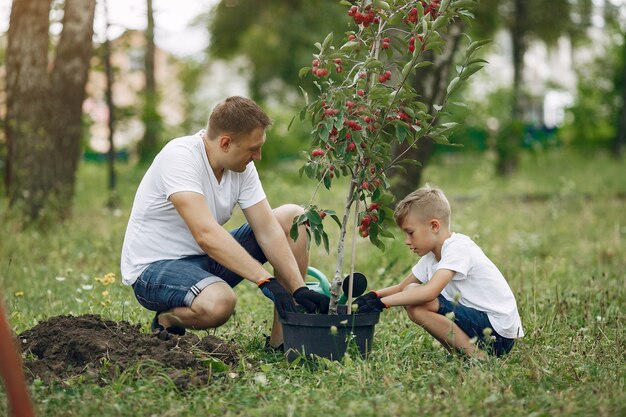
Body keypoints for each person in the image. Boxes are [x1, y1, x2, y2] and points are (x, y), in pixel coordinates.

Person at [120, 96, 329, 348]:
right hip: (155, 270)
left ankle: (282, 342)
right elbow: (206, 234)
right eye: (253, 149)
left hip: (205, 262)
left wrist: (298, 288)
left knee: (292, 217)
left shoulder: (241, 167)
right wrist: (265, 279)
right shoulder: (179, 158)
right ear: (226, 143)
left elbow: (268, 230)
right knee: (220, 304)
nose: (258, 156)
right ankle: (167, 320)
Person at [355, 185, 523, 358]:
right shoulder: (431, 257)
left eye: (410, 233)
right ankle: (463, 354)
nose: (407, 241)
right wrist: (372, 297)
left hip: (498, 333)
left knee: (416, 297)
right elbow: (401, 288)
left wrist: (382, 304)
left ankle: (478, 358)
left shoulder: (458, 247)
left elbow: (429, 293)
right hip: (478, 326)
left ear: (434, 226)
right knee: (413, 301)